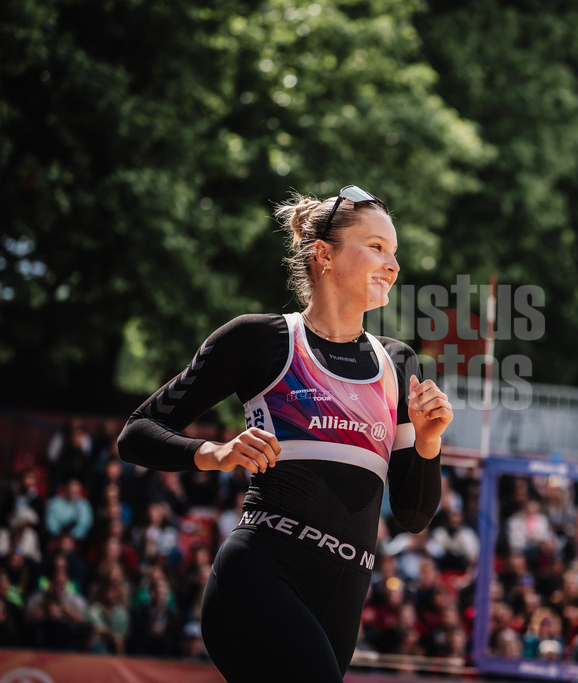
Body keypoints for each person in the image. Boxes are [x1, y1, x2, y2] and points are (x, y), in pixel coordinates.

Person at [117, 185, 452, 682]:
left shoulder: (398, 362)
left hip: (341, 600)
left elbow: (414, 514)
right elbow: (137, 433)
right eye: (377, 247)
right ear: (324, 255)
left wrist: (428, 442)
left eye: (395, 253)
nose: (393, 265)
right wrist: (215, 452)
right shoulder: (261, 340)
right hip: (259, 579)